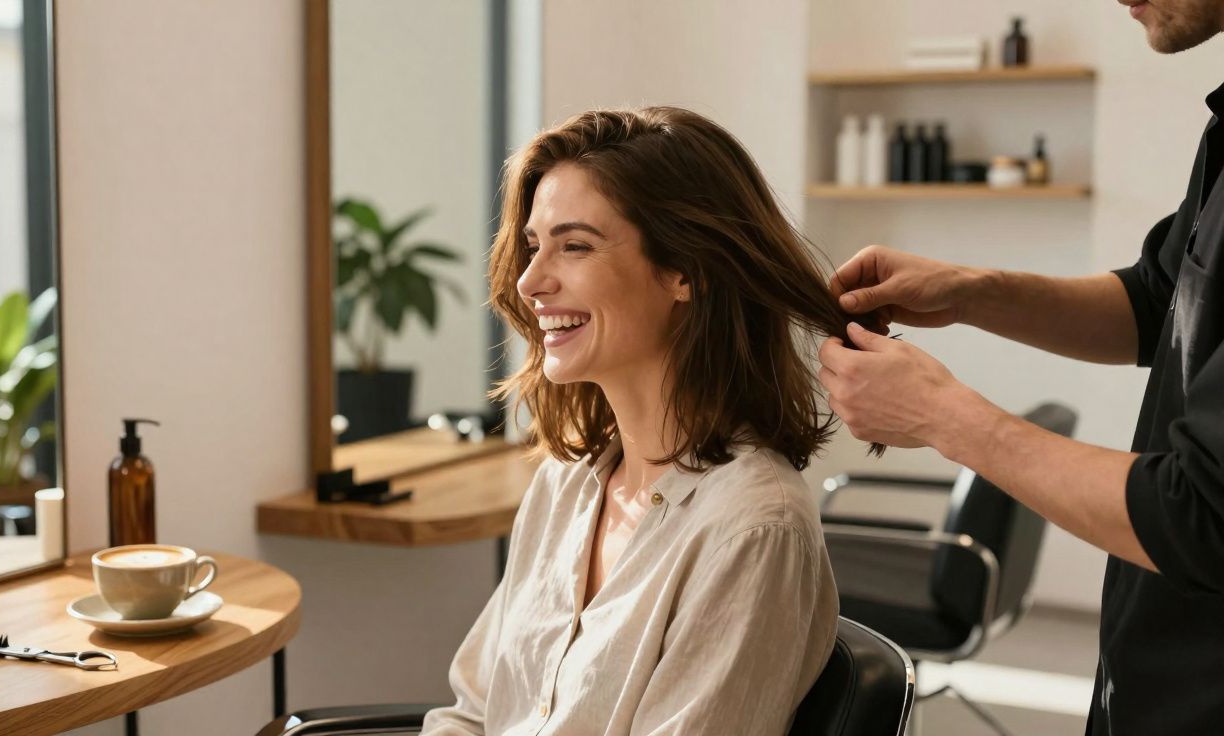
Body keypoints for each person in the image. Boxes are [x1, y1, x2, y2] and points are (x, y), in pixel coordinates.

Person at [817, 2, 1224, 733]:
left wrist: (943, 416)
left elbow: (1203, 511)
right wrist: (972, 291)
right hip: (1145, 673)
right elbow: (1156, 301)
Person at [421, 106, 863, 734]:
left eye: (575, 246)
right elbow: (472, 713)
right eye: (531, 247)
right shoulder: (564, 485)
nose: (529, 281)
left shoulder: (754, 528)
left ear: (686, 271)